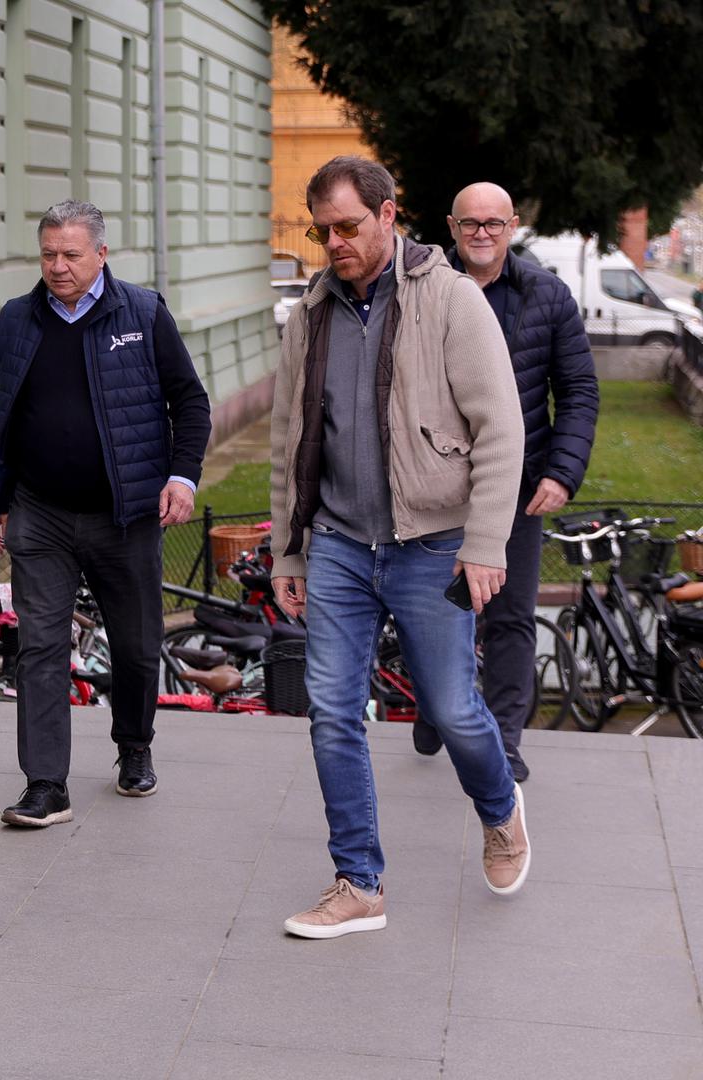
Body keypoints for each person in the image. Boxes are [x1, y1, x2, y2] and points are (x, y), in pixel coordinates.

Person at [268, 157, 530, 938]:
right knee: (333, 715)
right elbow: (290, 440)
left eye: (348, 226)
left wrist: (485, 543)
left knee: (451, 709)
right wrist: (289, 551)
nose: (334, 243)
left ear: (390, 215)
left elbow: (502, 428)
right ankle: (358, 882)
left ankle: (499, 806)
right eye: (322, 231)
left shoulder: (449, 299)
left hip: (432, 543)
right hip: (342, 546)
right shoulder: (311, 312)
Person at [0, 199, 211, 827]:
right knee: (42, 647)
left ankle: (134, 745)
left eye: (71, 255)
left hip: (125, 515)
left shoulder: (143, 312)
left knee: (135, 646)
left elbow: (190, 402)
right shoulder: (17, 319)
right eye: (48, 254)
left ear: (101, 254)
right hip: (41, 514)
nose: (57, 267)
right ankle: (46, 785)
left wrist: (182, 477)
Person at [408, 183, 599, 779]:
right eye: (470, 223)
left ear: (512, 225)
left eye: (493, 223)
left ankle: (503, 742)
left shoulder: (547, 295)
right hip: (434, 485)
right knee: (431, 612)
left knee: (510, 617)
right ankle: (439, 707)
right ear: (452, 226)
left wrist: (563, 473)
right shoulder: (423, 292)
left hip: (516, 488)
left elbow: (577, 393)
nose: (482, 233)